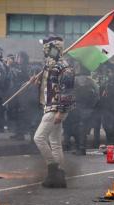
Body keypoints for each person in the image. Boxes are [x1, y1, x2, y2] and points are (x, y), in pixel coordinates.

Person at [32, 36, 75, 188]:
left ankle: (53, 170)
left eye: (46, 47)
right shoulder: (51, 65)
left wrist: (61, 111)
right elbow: (47, 86)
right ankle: (59, 177)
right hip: (49, 106)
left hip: (56, 107)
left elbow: (68, 91)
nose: (44, 50)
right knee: (55, 143)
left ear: (52, 48)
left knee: (39, 138)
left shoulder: (64, 67)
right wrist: (37, 81)